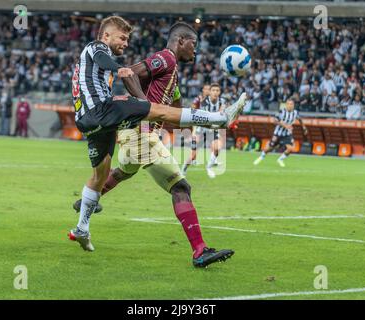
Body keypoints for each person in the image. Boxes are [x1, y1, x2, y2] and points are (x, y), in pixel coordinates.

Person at [68, 16, 246, 260]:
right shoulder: (166, 57)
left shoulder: (172, 79)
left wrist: (184, 132)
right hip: (140, 133)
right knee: (180, 187)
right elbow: (132, 74)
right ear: (180, 41)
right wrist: (144, 106)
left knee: (122, 172)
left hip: (133, 133)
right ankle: (200, 250)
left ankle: (88, 201)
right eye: (193, 43)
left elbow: (173, 115)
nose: (196, 49)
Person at [182, 83, 226, 178]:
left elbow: (222, 113)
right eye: (213, 90)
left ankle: (209, 167)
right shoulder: (204, 102)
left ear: (220, 92)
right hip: (201, 130)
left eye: (217, 90)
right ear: (210, 92)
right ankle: (184, 169)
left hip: (212, 130)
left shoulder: (222, 101)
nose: (215, 92)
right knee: (193, 155)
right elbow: (209, 117)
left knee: (217, 148)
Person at [253, 99, 308, 167]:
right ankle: (261, 157)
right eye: (288, 104)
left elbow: (300, 120)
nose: (290, 106)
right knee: (270, 148)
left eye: (291, 104)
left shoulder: (295, 113)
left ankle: (280, 159)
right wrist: (285, 125)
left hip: (287, 134)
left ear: (293, 105)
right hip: (278, 133)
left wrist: (304, 128)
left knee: (290, 149)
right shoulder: (281, 111)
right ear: (286, 105)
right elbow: (275, 121)